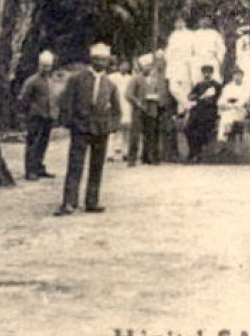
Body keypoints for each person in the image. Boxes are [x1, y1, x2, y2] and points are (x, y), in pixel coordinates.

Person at [55, 43, 122, 216]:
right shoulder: (77, 79)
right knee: (75, 165)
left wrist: (111, 125)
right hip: (81, 128)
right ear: (92, 60)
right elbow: (66, 102)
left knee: (97, 166)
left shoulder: (110, 84)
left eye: (105, 60)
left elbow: (117, 110)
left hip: (101, 130)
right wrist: (71, 123)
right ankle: (69, 202)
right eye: (98, 59)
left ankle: (92, 201)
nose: (101, 62)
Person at [18, 51, 61, 181]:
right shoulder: (32, 81)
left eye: (48, 66)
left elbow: (53, 98)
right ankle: (30, 170)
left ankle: (39, 167)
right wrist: (27, 113)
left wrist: (54, 113)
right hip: (36, 116)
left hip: (48, 116)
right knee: (33, 143)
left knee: (43, 143)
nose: (46, 68)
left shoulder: (50, 80)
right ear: (39, 65)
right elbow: (23, 98)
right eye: (43, 66)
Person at [130, 52, 169, 165]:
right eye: (146, 66)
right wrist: (137, 101)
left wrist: (156, 98)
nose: (148, 68)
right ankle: (132, 159)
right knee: (135, 134)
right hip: (138, 109)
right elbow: (129, 94)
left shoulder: (155, 80)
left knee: (150, 134)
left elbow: (159, 93)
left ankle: (147, 157)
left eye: (150, 66)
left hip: (151, 109)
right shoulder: (136, 79)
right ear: (142, 67)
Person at [186, 64, 222, 163]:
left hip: (210, 111)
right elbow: (190, 96)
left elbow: (218, 99)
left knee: (200, 129)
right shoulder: (199, 85)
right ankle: (192, 151)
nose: (207, 75)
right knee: (188, 128)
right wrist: (195, 97)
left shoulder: (216, 85)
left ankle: (198, 153)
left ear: (212, 73)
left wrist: (207, 99)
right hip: (198, 110)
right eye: (205, 73)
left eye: (208, 73)